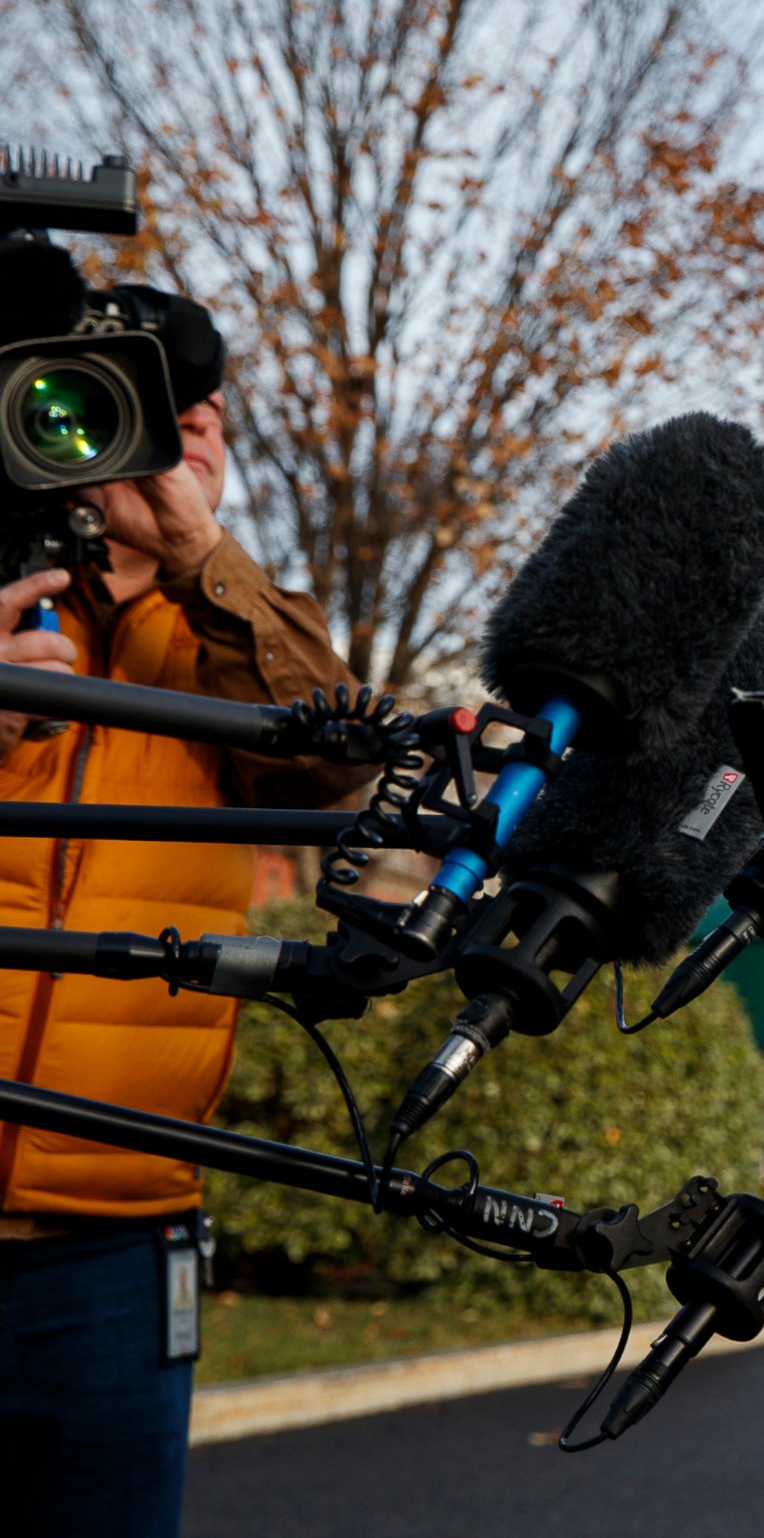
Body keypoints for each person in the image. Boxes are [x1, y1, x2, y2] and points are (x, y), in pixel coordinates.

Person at [0, 281, 369, 1538]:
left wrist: (208, 558)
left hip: (117, 1234)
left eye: (193, 416)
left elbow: (342, 764)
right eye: (110, 408)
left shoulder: (239, 638)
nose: (165, 441)